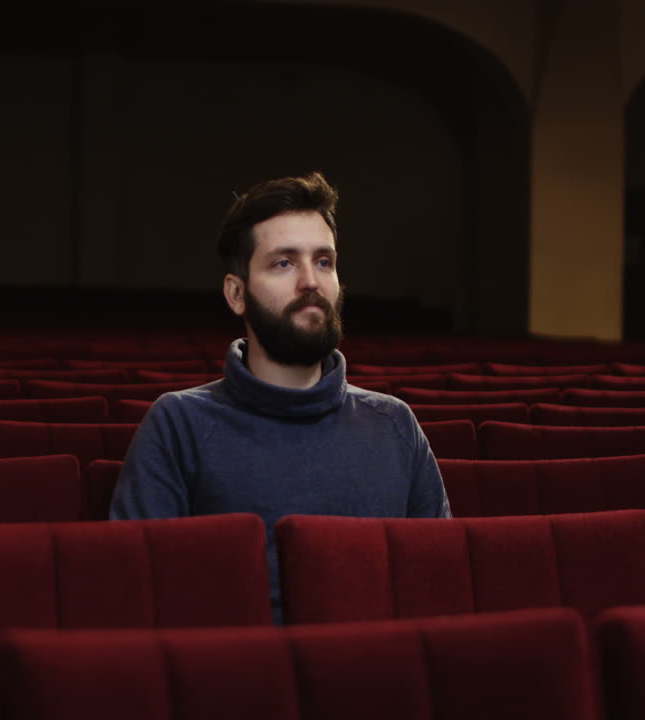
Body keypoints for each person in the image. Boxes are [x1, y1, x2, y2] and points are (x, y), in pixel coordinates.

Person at [109, 171, 450, 622]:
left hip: (370, 677)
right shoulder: (178, 424)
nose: (311, 281)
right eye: (284, 263)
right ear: (236, 294)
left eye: (324, 261)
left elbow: (437, 593)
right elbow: (138, 599)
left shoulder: (395, 426)